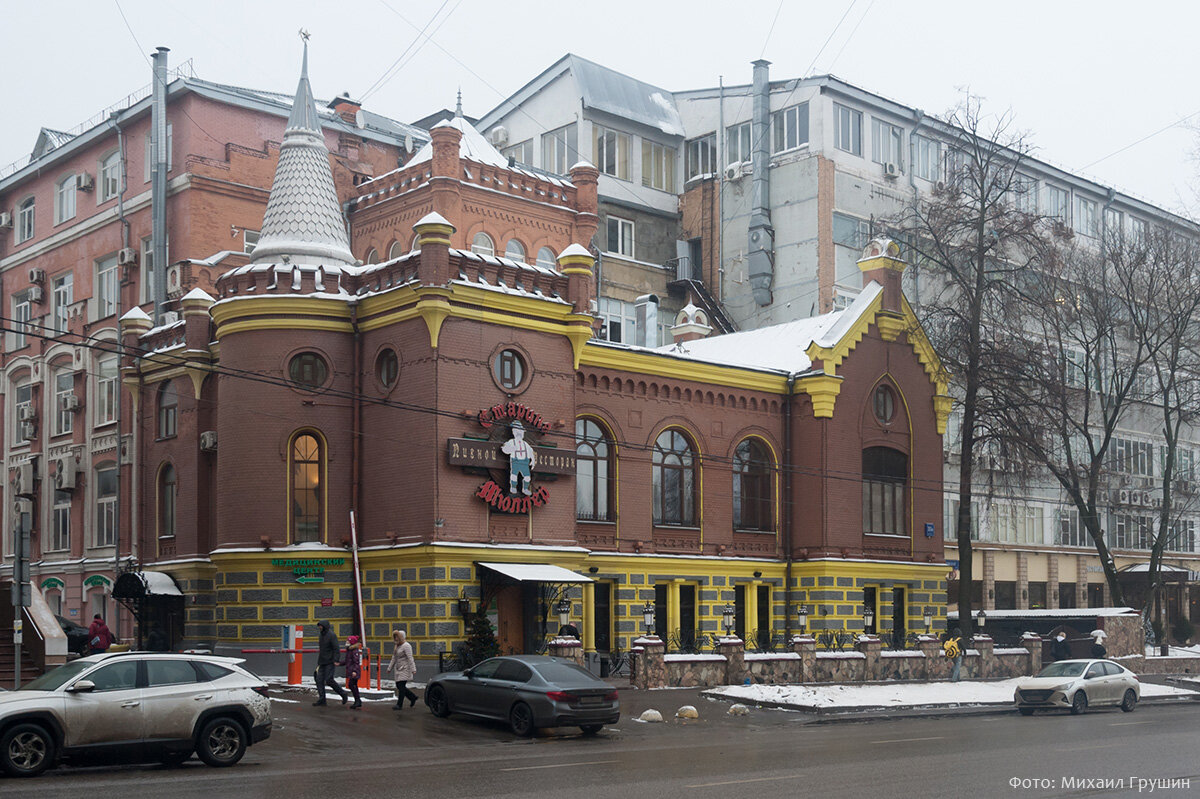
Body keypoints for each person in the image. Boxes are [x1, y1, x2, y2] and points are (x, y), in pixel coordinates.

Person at [313, 620, 348, 706]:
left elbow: (336, 649)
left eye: (320, 626)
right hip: (322, 662)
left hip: (330, 662)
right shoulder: (321, 635)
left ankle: (343, 694)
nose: (319, 627)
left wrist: (336, 660)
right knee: (319, 679)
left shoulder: (331, 635)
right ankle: (322, 699)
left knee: (329, 680)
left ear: (324, 626)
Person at [500, 420, 537, 496]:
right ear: (513, 432)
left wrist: (533, 460)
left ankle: (525, 488)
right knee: (514, 475)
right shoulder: (511, 442)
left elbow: (531, 451)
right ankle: (513, 487)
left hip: (525, 462)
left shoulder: (525, 444)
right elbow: (504, 448)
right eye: (516, 430)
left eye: (520, 430)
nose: (519, 432)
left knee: (527, 477)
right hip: (515, 461)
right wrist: (510, 449)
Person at [387, 629, 418, 710]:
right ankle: (413, 697)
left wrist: (413, 669)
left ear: (401, 637)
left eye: (397, 637)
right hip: (398, 669)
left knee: (401, 686)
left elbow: (410, 658)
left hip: (405, 669)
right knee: (399, 685)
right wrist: (389, 668)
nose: (396, 639)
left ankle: (399, 704)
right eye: (395, 637)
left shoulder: (407, 646)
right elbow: (394, 658)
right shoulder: (397, 646)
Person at [344, 635, 363, 709]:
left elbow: (356, 662)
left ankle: (357, 700)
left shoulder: (354, 651)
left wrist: (354, 671)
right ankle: (357, 701)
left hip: (354, 671)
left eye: (348, 641)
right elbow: (347, 661)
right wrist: (340, 663)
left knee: (352, 685)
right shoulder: (349, 650)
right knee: (353, 685)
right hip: (352, 671)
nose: (346, 642)